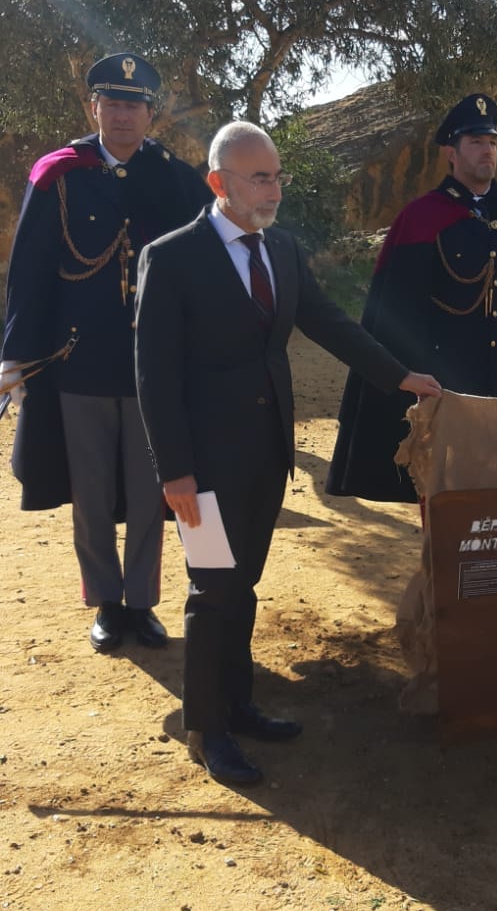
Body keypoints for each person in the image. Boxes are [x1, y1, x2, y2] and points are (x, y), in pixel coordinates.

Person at [134, 121, 441, 787]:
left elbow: (329, 321)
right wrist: (175, 473)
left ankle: (238, 704)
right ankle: (206, 727)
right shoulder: (172, 257)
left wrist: (400, 376)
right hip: (199, 475)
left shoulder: (283, 249)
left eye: (278, 175)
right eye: (260, 177)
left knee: (240, 586)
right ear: (220, 184)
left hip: (266, 458)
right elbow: (152, 375)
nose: (275, 189)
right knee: (212, 589)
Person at [0, 51, 209, 652]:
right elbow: (31, 270)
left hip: (153, 368)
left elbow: (207, 260)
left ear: (152, 114)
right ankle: (106, 604)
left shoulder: (174, 178)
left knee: (153, 490)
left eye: (134, 105)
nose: (123, 115)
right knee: (90, 493)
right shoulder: (59, 174)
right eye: (112, 103)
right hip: (78, 361)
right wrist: (17, 353)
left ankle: (141, 603)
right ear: (93, 108)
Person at [326, 93, 497, 503]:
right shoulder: (421, 218)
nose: (487, 151)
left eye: (492, 142)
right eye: (476, 142)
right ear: (451, 152)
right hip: (449, 392)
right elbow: (395, 314)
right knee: (447, 502)